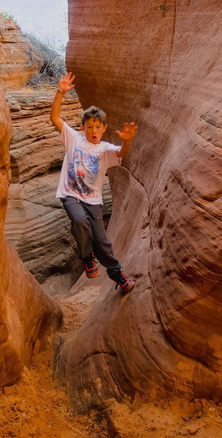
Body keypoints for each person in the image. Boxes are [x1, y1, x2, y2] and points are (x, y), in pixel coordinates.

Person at [50, 72, 138, 293]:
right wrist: (60, 92)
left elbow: (121, 152)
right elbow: (55, 118)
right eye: (89, 126)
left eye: (98, 127)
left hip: (93, 200)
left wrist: (126, 142)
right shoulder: (74, 138)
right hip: (71, 194)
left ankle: (118, 275)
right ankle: (87, 257)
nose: (94, 131)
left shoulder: (104, 149)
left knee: (103, 243)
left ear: (104, 129)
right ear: (82, 127)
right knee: (79, 221)